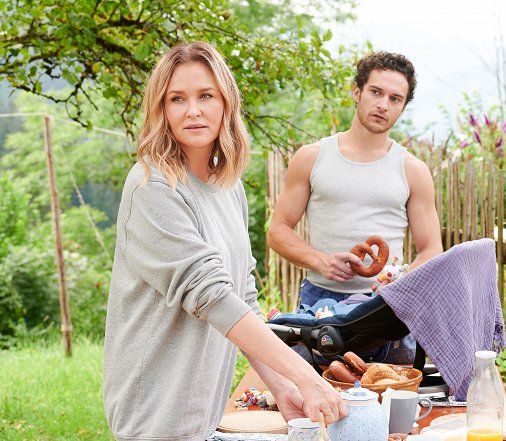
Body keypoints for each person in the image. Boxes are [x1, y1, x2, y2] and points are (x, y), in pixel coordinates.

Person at [103, 42, 346, 441]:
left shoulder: (227, 187)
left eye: (205, 96)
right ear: (161, 110)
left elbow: (242, 296)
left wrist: (282, 385)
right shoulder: (152, 187)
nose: (192, 110)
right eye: (176, 99)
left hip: (201, 413)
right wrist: (306, 378)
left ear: (225, 104)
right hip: (155, 414)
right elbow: (211, 296)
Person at [267, 51, 443, 363]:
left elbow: (431, 249)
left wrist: (397, 285)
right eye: (376, 92)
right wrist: (321, 261)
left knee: (393, 402)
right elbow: (278, 232)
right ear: (357, 91)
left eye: (395, 98)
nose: (383, 105)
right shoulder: (311, 157)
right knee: (315, 405)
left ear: (402, 107)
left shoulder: (412, 170)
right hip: (320, 304)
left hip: (387, 309)